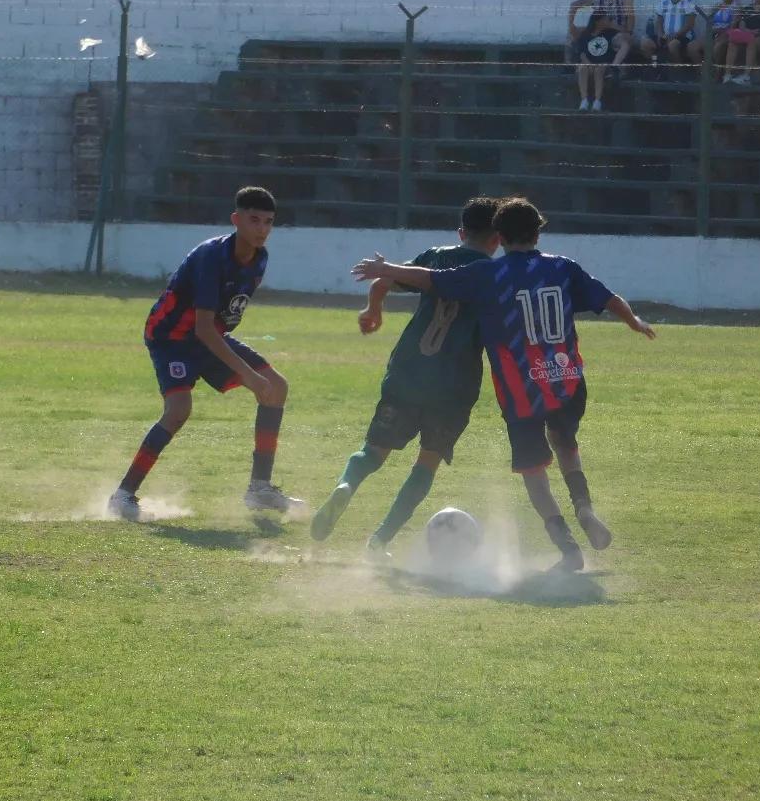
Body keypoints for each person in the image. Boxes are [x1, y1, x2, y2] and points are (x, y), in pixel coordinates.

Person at [352, 198, 656, 572]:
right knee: (565, 446)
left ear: (500, 236)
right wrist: (634, 321)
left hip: (522, 389)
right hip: (566, 381)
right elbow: (609, 299)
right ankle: (585, 507)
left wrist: (385, 268)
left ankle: (568, 549)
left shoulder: (488, 274)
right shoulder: (563, 267)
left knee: (534, 473)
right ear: (537, 232)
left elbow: (428, 278)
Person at [310, 197, 503, 561]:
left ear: (461, 233)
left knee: (372, 451)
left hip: (409, 373)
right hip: (454, 387)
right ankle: (379, 542)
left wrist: (373, 310)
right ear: (497, 239)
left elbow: (385, 279)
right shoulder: (495, 274)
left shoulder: (436, 256)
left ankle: (346, 484)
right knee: (425, 463)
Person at [108, 186, 305, 520]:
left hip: (208, 337)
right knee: (179, 410)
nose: (261, 229)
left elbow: (219, 323)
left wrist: (253, 375)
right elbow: (202, 327)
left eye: (268, 222)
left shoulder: (260, 259)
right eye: (254, 220)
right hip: (172, 337)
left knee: (277, 388)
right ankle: (123, 495)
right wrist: (249, 375)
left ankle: (259, 490)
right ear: (236, 220)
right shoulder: (212, 257)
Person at [566, 0, 636, 73]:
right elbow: (574, 5)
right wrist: (571, 24)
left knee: (627, 40)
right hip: (596, 32)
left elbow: (630, 27)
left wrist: (611, 25)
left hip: (615, 32)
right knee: (570, 34)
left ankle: (614, 67)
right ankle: (568, 65)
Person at [640, 0, 701, 77]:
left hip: (683, 37)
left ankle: (679, 72)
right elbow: (659, 20)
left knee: (672, 45)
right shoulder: (664, 1)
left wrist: (674, 36)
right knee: (645, 44)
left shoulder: (688, 2)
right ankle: (656, 66)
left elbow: (690, 24)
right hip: (665, 36)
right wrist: (660, 34)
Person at [690, 0, 740, 74]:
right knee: (692, 46)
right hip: (713, 33)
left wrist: (719, 36)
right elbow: (709, 22)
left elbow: (733, 26)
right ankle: (704, 72)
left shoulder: (736, 7)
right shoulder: (717, 5)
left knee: (716, 47)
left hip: (726, 35)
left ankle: (718, 74)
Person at [575, 11, 615, 112]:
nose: (608, 21)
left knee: (599, 70)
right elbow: (582, 54)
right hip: (590, 61)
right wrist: (589, 64)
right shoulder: (585, 36)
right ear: (597, 22)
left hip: (605, 62)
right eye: (605, 20)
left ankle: (597, 101)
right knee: (582, 68)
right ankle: (584, 100)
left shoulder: (610, 34)